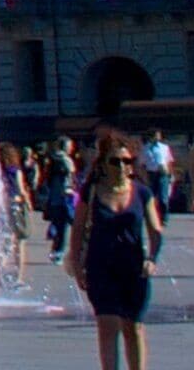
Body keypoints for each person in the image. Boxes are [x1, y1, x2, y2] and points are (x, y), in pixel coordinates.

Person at [70, 138, 159, 370]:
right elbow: (78, 228)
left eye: (126, 161)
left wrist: (152, 259)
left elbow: (156, 232)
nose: (121, 166)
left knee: (133, 327)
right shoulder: (90, 192)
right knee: (107, 325)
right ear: (103, 164)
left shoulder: (143, 193)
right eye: (115, 161)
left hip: (134, 269)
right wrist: (76, 264)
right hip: (101, 268)